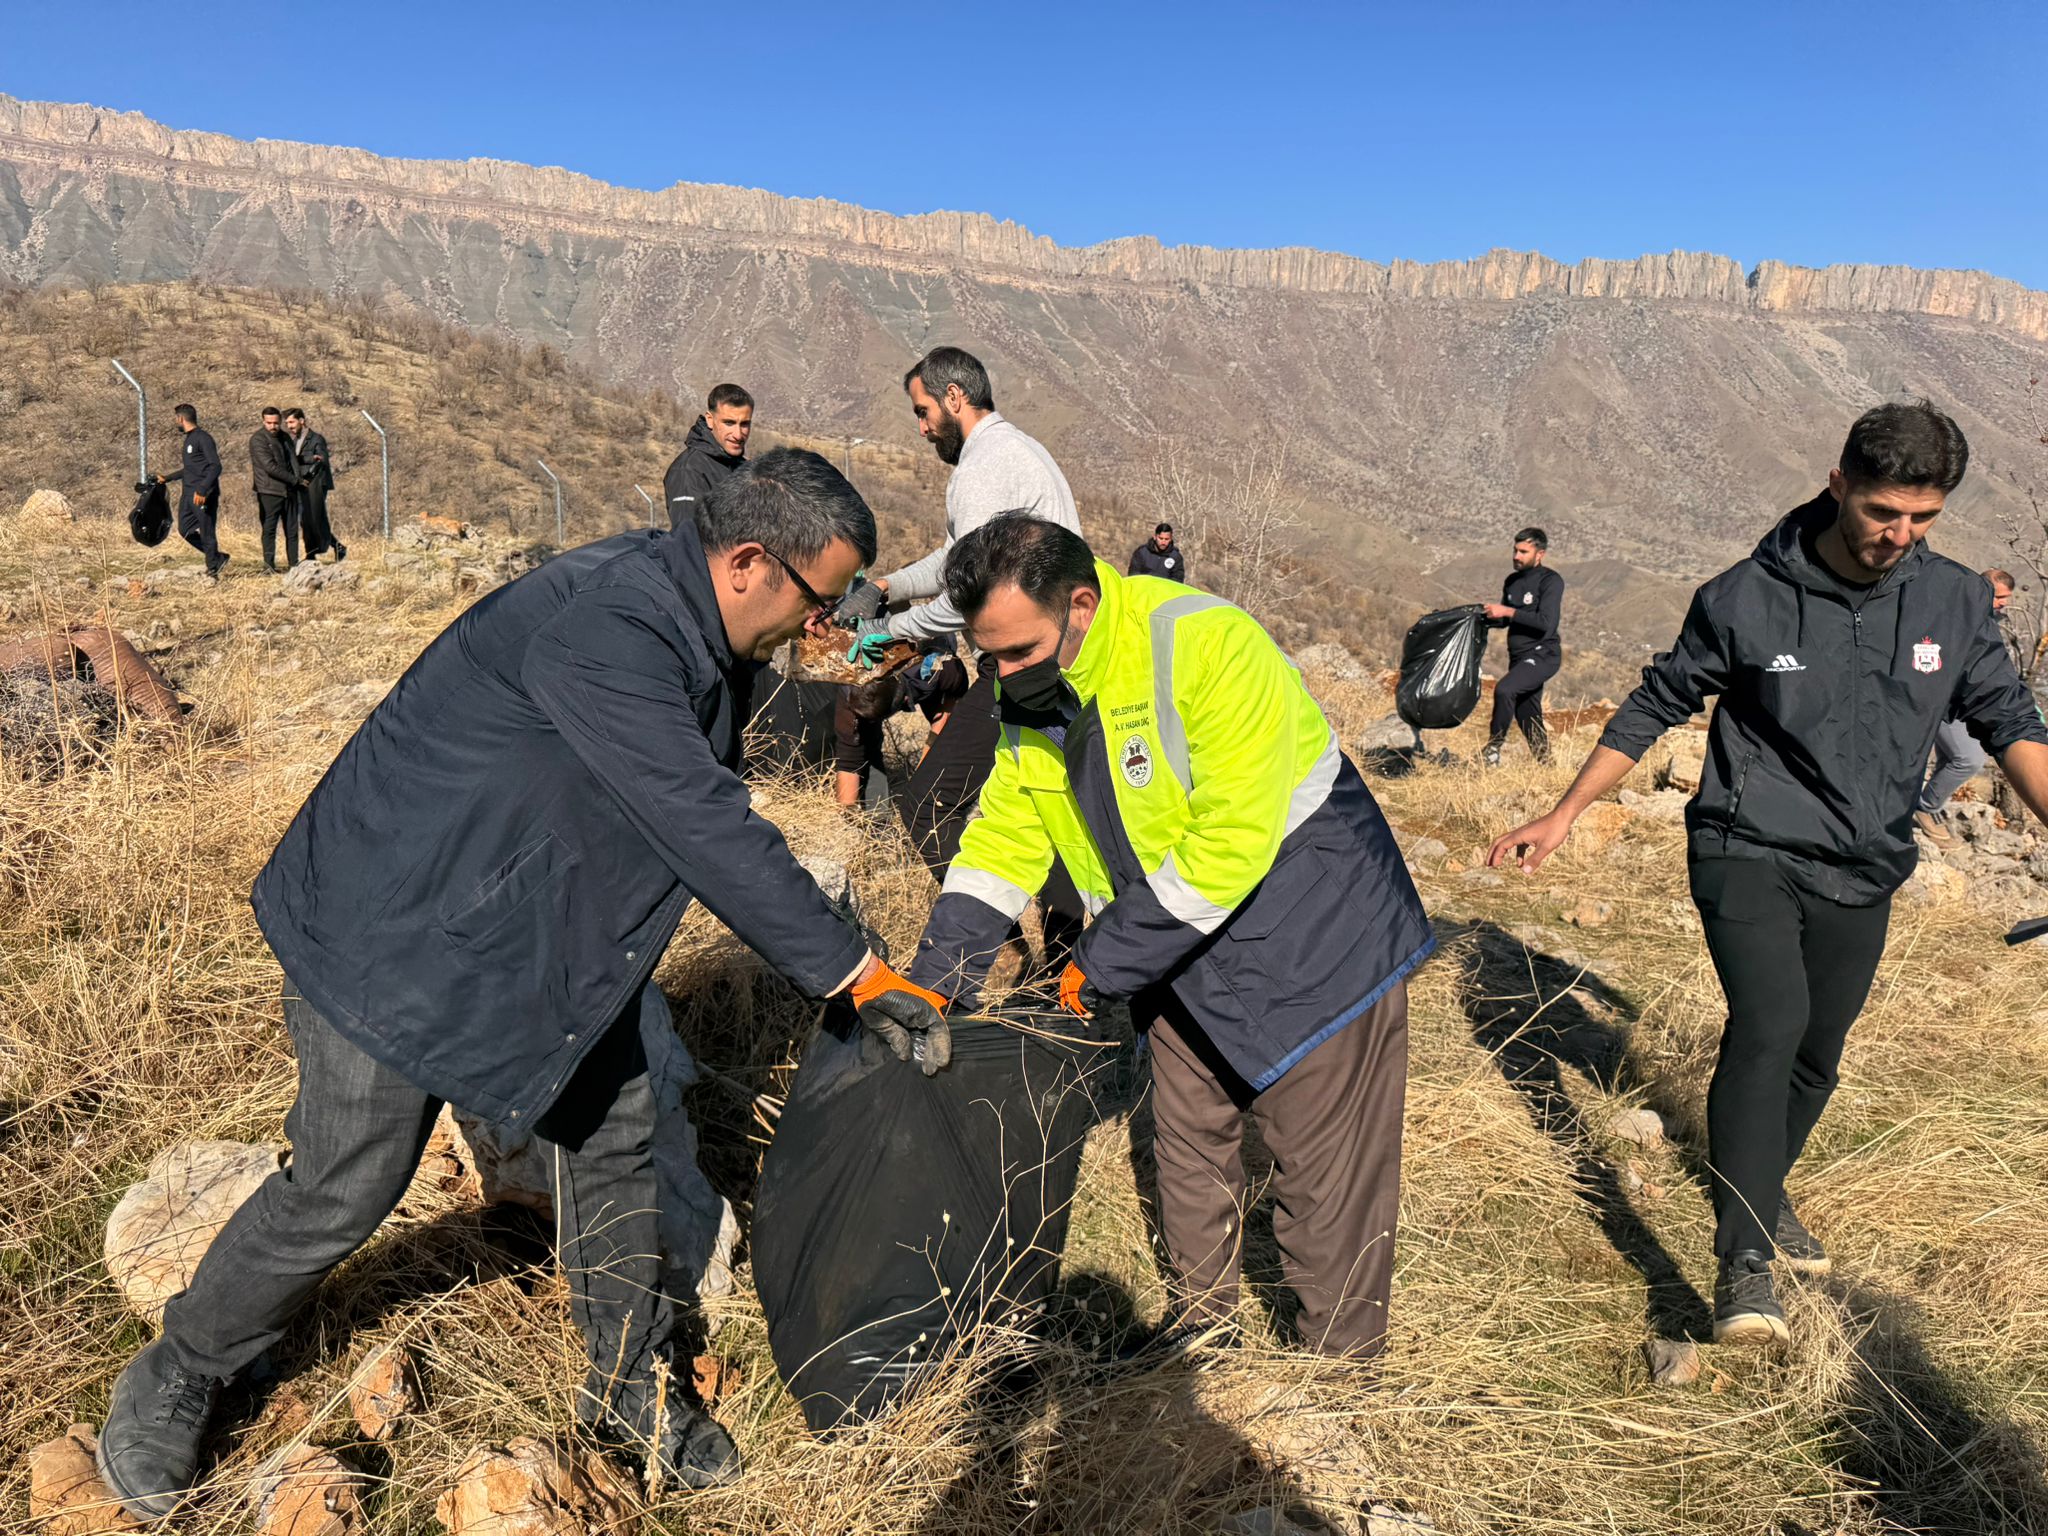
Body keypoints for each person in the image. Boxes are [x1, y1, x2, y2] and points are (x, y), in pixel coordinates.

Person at [93, 449, 953, 1519]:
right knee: (346, 1180)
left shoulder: (694, 620)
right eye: (817, 601)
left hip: (537, 930)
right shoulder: (612, 626)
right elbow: (699, 818)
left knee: (619, 1132)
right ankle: (186, 1365)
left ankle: (631, 1388)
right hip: (393, 926)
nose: (816, 629)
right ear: (745, 561)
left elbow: (714, 745)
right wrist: (854, 973)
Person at [1486, 402, 2048, 1348]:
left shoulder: (1952, 599)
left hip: (1866, 859)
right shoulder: (1745, 595)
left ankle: (1759, 1190)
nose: (1898, 538)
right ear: (1838, 484)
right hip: (1748, 844)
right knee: (1772, 1024)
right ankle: (1743, 1260)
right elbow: (1655, 701)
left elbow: (2010, 721)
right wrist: (1566, 810)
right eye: (1882, 513)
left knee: (1819, 1052)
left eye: (1922, 520)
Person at [905, 515, 1433, 1358]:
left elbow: (1229, 844)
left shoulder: (1204, 644)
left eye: (1017, 651)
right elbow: (1007, 832)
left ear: (1081, 604)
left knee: (1322, 1170)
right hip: (1177, 940)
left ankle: (1335, 1370)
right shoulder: (1027, 696)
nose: (998, 676)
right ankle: (1203, 1330)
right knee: (1186, 1135)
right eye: (987, 655)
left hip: (1316, 932)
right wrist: (941, 976)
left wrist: (1100, 961)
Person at [829, 346, 1082, 875]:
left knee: (925, 807)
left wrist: (887, 629)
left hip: (1025, 665)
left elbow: (968, 595)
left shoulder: (985, 467)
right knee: (1046, 810)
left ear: (954, 396)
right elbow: (956, 558)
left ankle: (985, 950)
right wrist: (885, 584)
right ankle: (1047, 953)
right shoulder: (1011, 450)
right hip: (1053, 654)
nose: (922, 428)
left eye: (923, 412)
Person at [1913, 567, 2017, 846]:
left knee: (1951, 759)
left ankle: (1928, 809)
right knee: (1968, 759)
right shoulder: (1954, 618)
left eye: (2006, 598)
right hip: (1943, 701)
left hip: (1963, 704)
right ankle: (1925, 808)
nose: (2004, 602)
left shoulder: (1989, 621)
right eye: (2000, 596)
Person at [832, 648, 971, 809]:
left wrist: (918, 787)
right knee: (865, 741)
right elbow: (849, 758)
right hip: (878, 682)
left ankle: (942, 803)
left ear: (905, 699)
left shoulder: (941, 667)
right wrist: (846, 812)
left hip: (932, 672)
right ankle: (878, 812)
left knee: (950, 740)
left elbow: (947, 715)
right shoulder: (850, 696)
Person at [1480, 527, 1564, 766]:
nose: (1516, 556)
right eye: (1515, 550)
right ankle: (1546, 764)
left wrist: (1507, 610)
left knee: (1505, 690)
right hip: (1518, 657)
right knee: (1527, 711)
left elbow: (1546, 623)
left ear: (1540, 554)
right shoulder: (1512, 581)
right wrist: (1482, 618)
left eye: (1523, 552)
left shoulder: (1551, 581)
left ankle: (1492, 749)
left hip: (1543, 654)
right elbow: (1507, 620)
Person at [665, 383, 753, 530]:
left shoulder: (745, 468)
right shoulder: (689, 471)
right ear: (710, 420)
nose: (738, 434)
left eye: (744, 424)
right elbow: (689, 541)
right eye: (729, 423)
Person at [153, 404, 226, 579]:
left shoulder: (203, 438)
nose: (175, 422)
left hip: (202, 495)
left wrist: (202, 489)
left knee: (207, 531)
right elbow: (191, 469)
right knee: (185, 530)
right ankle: (218, 557)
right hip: (188, 494)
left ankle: (213, 570)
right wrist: (167, 478)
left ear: (180, 419)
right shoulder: (189, 439)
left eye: (175, 419)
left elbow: (215, 466)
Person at [284, 407, 345, 562]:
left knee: (314, 517)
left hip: (315, 484)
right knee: (306, 519)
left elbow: (321, 459)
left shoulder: (316, 438)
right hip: (301, 484)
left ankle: (319, 551)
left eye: (291, 422)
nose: (289, 426)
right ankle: (323, 549)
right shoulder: (293, 440)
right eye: (287, 423)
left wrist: (303, 460)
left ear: (301, 421)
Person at [249, 406, 302, 571]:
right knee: (269, 530)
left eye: (276, 423)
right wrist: (295, 480)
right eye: (269, 423)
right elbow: (269, 467)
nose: (273, 426)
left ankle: (294, 565)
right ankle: (269, 566)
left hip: (289, 490)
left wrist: (297, 479)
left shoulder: (285, 437)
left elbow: (292, 460)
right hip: (269, 491)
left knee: (292, 530)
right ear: (263, 421)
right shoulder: (258, 439)